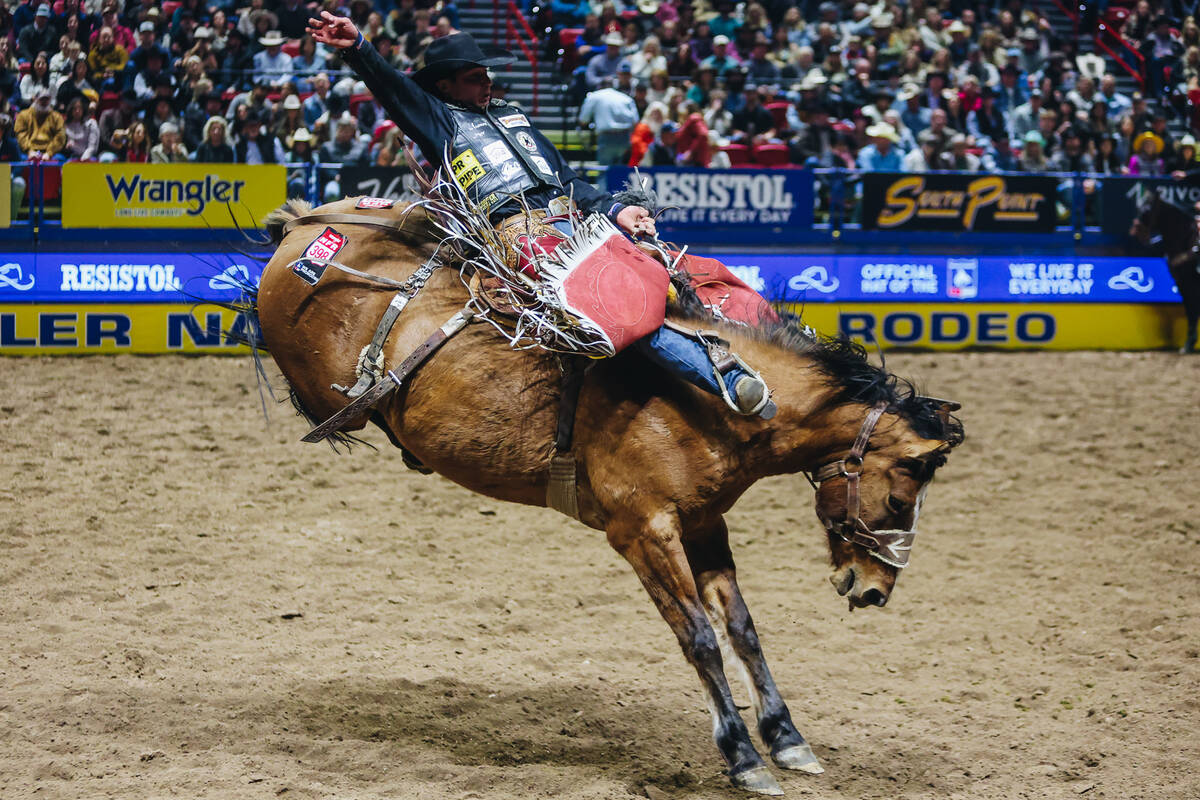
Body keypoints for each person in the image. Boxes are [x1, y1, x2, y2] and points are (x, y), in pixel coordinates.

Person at [306, 10, 773, 416]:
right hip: (521, 235)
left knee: (682, 271)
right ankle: (728, 379)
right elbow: (397, 92)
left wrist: (619, 207)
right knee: (610, 303)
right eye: (474, 77)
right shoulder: (440, 121)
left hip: (578, 223)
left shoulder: (515, 117)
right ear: (444, 86)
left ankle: (782, 340)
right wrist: (361, 50)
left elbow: (567, 179)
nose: (487, 82)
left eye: (487, 75)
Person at [579, 77, 638, 165]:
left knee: (604, 172)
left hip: (607, 137)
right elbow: (635, 121)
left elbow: (583, 120)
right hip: (626, 137)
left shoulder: (594, 96)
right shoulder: (625, 98)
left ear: (600, 86)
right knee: (622, 173)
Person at [15, 87, 66, 161]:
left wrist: (49, 153)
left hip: (50, 152)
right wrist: (29, 151)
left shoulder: (56, 117)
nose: (44, 102)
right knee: (20, 159)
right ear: (35, 99)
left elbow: (60, 136)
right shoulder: (23, 115)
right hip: (28, 152)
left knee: (61, 159)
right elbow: (21, 134)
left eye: (47, 99)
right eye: (42, 99)